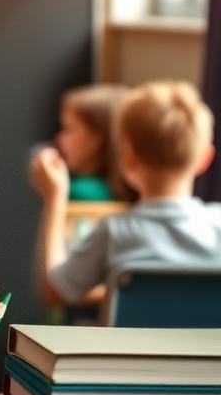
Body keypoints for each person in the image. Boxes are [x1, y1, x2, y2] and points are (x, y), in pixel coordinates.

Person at [33, 80, 221, 307]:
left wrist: (54, 199)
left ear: (128, 158)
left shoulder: (114, 232)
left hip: (126, 344)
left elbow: (55, 291)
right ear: (205, 159)